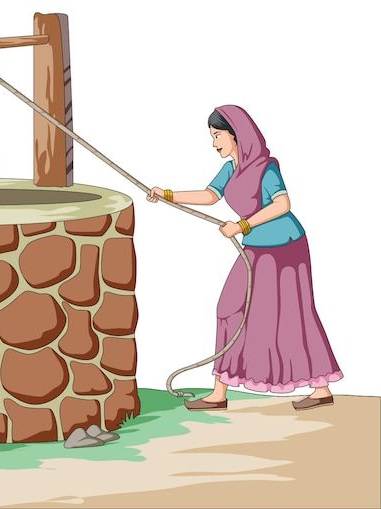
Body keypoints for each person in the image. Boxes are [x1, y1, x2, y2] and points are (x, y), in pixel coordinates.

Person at [147, 105, 343, 411]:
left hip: (285, 248)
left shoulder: (266, 168)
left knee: (292, 315)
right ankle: (219, 392)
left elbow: (283, 204)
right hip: (256, 246)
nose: (214, 144)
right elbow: (210, 196)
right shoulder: (231, 168)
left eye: (217, 136)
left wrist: (242, 225)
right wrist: (166, 194)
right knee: (229, 307)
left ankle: (320, 388)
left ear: (237, 134)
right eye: (212, 137)